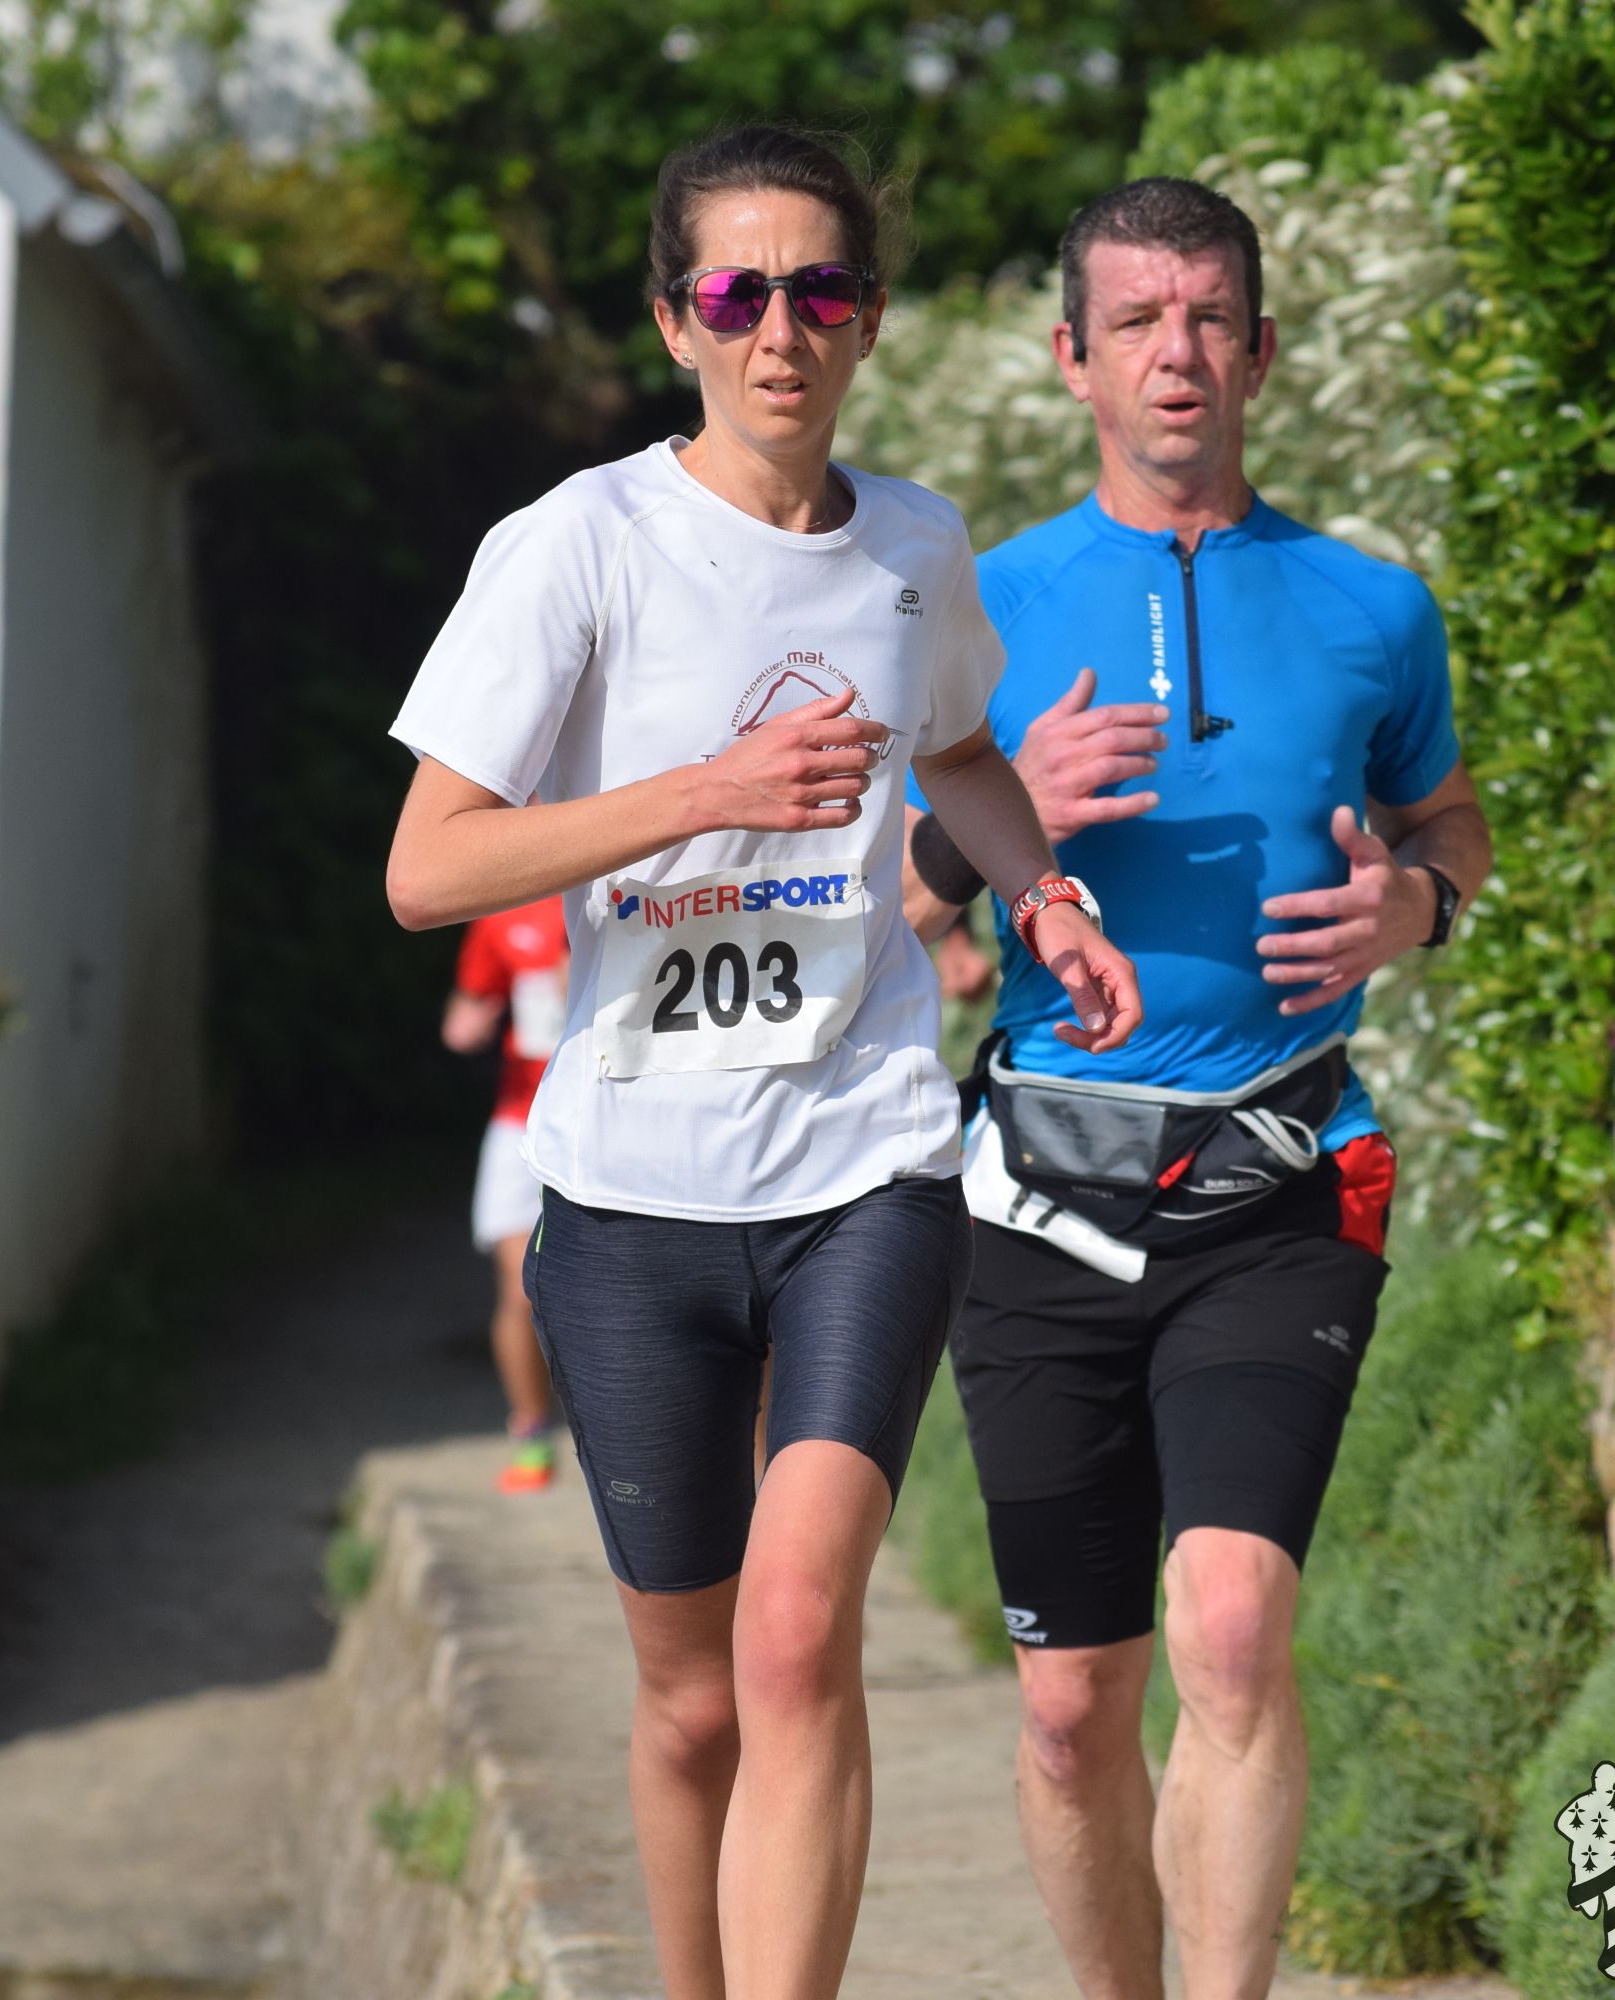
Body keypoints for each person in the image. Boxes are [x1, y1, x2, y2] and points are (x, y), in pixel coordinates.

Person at [383, 126, 1144, 2000]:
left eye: (820, 290)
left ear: (868, 318)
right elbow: (426, 870)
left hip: (861, 1161)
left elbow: (958, 752)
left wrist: (1041, 896)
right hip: (628, 1193)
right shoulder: (576, 547)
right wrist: (704, 792)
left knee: (799, 1634)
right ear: (674, 321)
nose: (779, 330)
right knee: (692, 1699)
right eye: (735, 293)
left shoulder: (914, 548)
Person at [902, 176, 1494, 2000]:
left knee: (1230, 1629)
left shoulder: (1373, 607)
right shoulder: (981, 604)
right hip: (1039, 1202)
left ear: (1262, 349)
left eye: (1211, 317)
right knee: (1072, 1706)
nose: (1178, 353)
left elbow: (1447, 825)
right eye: (1138, 322)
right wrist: (1004, 821)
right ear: (1071, 358)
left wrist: (1417, 905)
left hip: (1282, 1180)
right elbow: (888, 908)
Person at [441, 893, 567, 1492]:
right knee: (521, 1288)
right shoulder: (506, 908)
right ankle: (532, 1432)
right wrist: (463, 1026)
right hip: (520, 1118)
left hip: (610, 1116)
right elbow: (469, 1001)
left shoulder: (627, 882)